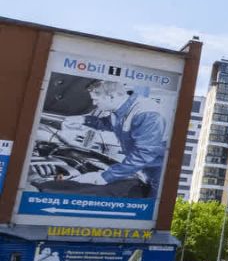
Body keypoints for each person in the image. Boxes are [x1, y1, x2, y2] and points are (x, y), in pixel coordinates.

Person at [39, 80, 168, 197]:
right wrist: (83, 120)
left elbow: (144, 154)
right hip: (141, 168)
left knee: (149, 209)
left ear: (111, 96)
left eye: (96, 100)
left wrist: (104, 177)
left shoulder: (147, 114)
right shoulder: (120, 109)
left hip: (158, 173)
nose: (94, 104)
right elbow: (109, 123)